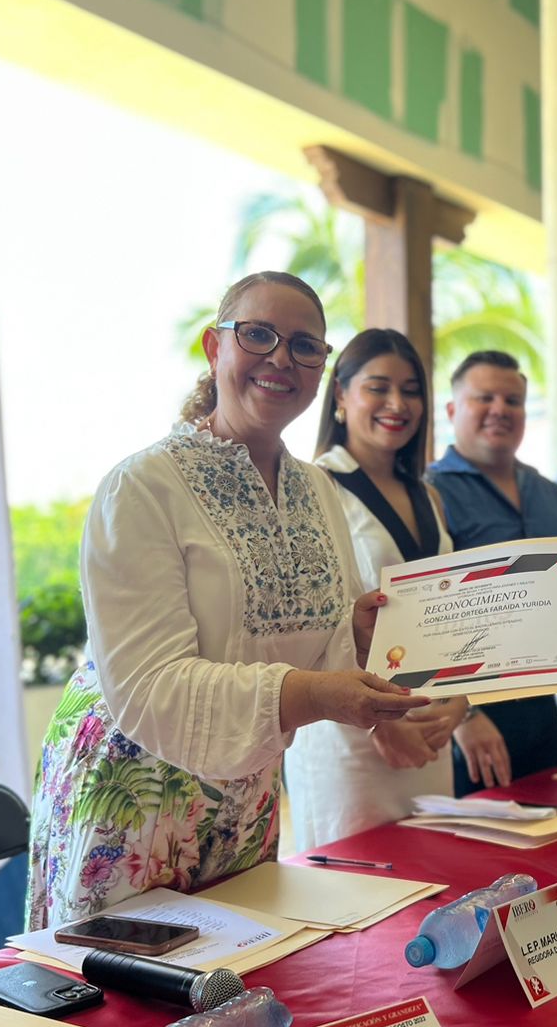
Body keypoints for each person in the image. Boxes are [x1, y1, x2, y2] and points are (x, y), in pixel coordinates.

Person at [26, 273, 430, 928]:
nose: (281, 358)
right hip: (137, 785)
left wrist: (359, 636)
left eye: (304, 346)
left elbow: (320, 644)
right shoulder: (143, 486)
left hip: (249, 787)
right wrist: (322, 695)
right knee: (131, 1011)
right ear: (216, 350)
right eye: (258, 335)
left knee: (243, 996)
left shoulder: (317, 489)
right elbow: (149, 685)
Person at [285, 329, 475, 847]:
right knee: (359, 903)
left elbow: (454, 611)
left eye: (411, 390)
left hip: (429, 731)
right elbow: (312, 627)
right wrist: (381, 726)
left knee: (435, 889)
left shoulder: (427, 495)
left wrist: (461, 702)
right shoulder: (310, 487)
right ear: (341, 396)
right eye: (378, 387)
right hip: (354, 743)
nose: (397, 404)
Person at [427, 351, 557, 794]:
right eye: (484, 398)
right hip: (471, 717)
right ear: (453, 410)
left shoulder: (549, 492)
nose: (500, 409)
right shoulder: (430, 492)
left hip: (543, 706)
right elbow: (429, 617)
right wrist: (464, 716)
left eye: (512, 400)